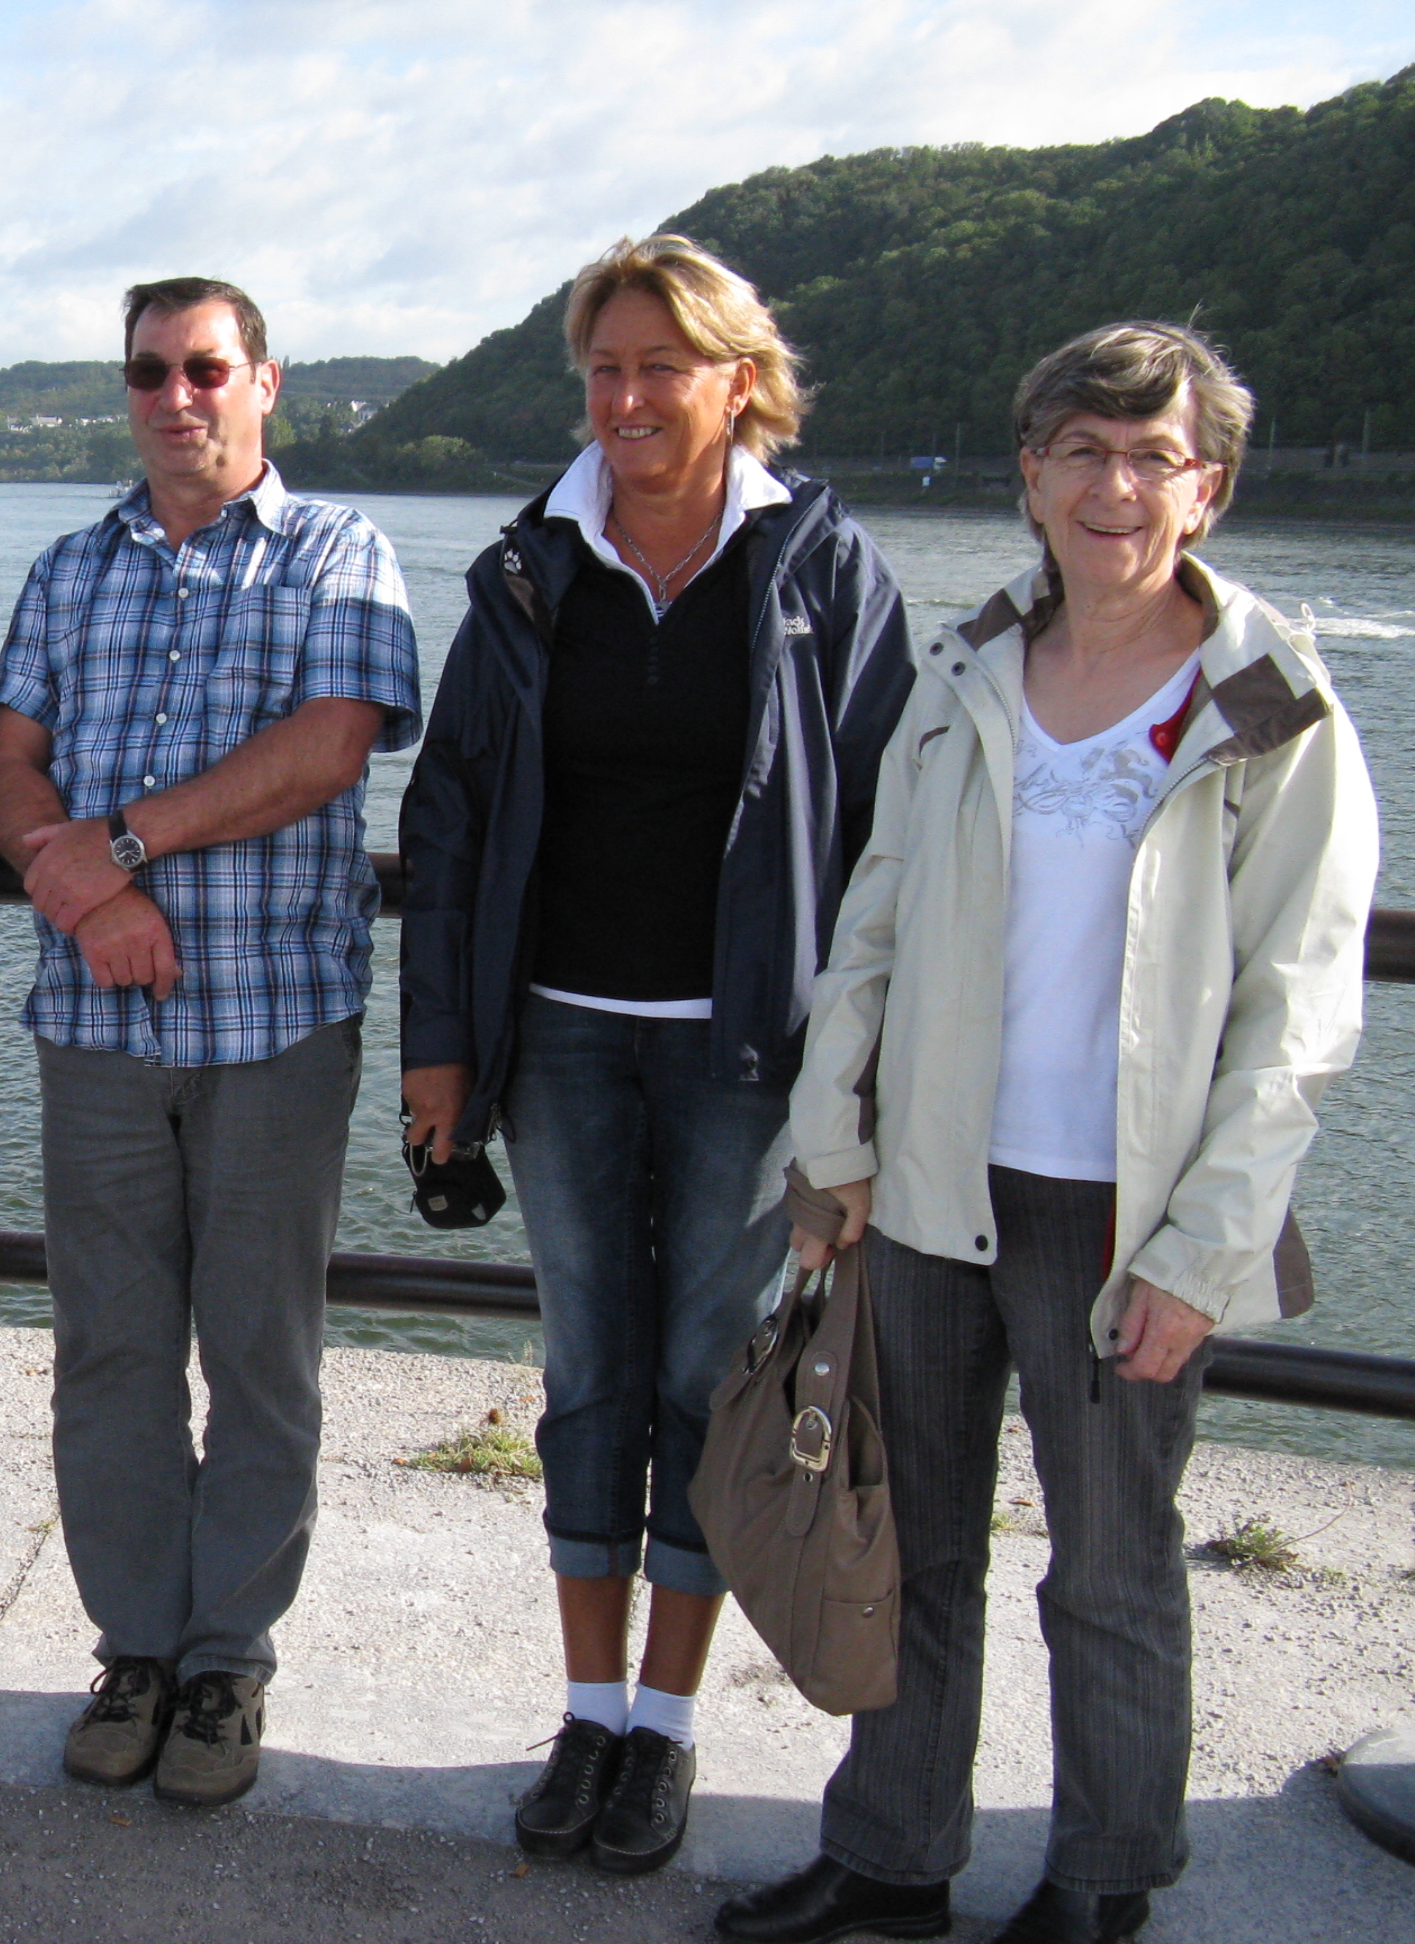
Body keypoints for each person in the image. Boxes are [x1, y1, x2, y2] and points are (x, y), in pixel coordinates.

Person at [718, 324, 1378, 1944]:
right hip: (932, 1183)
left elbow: (1298, 1012)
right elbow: (872, 925)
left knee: (1110, 1569)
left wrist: (1203, 1252)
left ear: (1207, 491)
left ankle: (1102, 1881)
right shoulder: (970, 674)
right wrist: (831, 1145)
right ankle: (892, 1860)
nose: (1113, 486)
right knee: (912, 1542)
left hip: (1125, 1217)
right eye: (1082, 449)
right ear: (1031, 475)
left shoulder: (1271, 707)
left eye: (1153, 457)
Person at [397, 235, 913, 1874]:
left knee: (705, 1379)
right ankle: (585, 1713)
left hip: (747, 1057)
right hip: (557, 1041)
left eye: (660, 368)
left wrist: (861, 1083)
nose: (625, 399)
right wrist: (439, 1049)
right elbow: (451, 813)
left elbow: (888, 842)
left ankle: (667, 1728)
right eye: (605, 369)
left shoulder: (823, 573)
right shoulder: (529, 567)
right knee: (586, 1375)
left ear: (737, 383)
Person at [0, 276, 421, 1809]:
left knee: (259, 1354)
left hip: (275, 1024)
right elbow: (9, 767)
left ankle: (228, 1657)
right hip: (95, 1027)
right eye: (151, 371)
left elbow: (327, 749)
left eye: (207, 368)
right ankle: (136, 1649)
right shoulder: (68, 568)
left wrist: (122, 843)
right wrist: (88, 893)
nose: (178, 396)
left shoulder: (340, 553)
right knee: (107, 1352)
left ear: (264, 382)